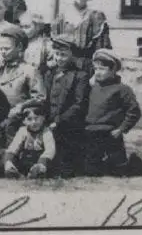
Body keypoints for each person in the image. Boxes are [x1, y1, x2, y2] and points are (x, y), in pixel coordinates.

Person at [84, 49, 142, 177]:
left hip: (110, 133)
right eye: (96, 69)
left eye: (102, 69)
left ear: (113, 70)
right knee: (91, 169)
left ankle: (131, 164)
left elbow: (134, 111)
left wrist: (121, 129)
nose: (98, 72)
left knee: (119, 170)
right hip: (91, 132)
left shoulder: (122, 89)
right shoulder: (92, 87)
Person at [44, 33, 89, 178]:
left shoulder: (80, 76)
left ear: (73, 55)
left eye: (63, 55)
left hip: (68, 124)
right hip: (49, 120)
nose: (59, 58)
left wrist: (59, 121)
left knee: (65, 160)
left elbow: (79, 104)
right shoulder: (50, 74)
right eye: (56, 54)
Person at [0, 25, 45, 135]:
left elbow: (40, 98)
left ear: (19, 47)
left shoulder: (29, 70)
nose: (3, 52)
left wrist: (22, 106)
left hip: (18, 123)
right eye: (1, 48)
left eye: (7, 49)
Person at [52, 0, 112, 74]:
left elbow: (102, 49)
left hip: (87, 66)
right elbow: (55, 45)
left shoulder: (95, 17)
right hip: (64, 65)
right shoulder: (62, 18)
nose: (74, 0)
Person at [4, 101, 55, 179]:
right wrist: (9, 161)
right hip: (25, 161)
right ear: (24, 121)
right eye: (29, 119)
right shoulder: (23, 131)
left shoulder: (46, 132)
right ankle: (12, 170)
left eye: (36, 118)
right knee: (11, 160)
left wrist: (41, 163)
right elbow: (14, 147)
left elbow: (50, 150)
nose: (33, 122)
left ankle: (38, 170)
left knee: (45, 167)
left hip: (41, 160)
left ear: (43, 118)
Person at [20, 12, 53, 80]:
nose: (23, 30)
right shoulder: (20, 43)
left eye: (26, 27)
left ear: (38, 27)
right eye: (21, 27)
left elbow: (52, 63)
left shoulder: (46, 45)